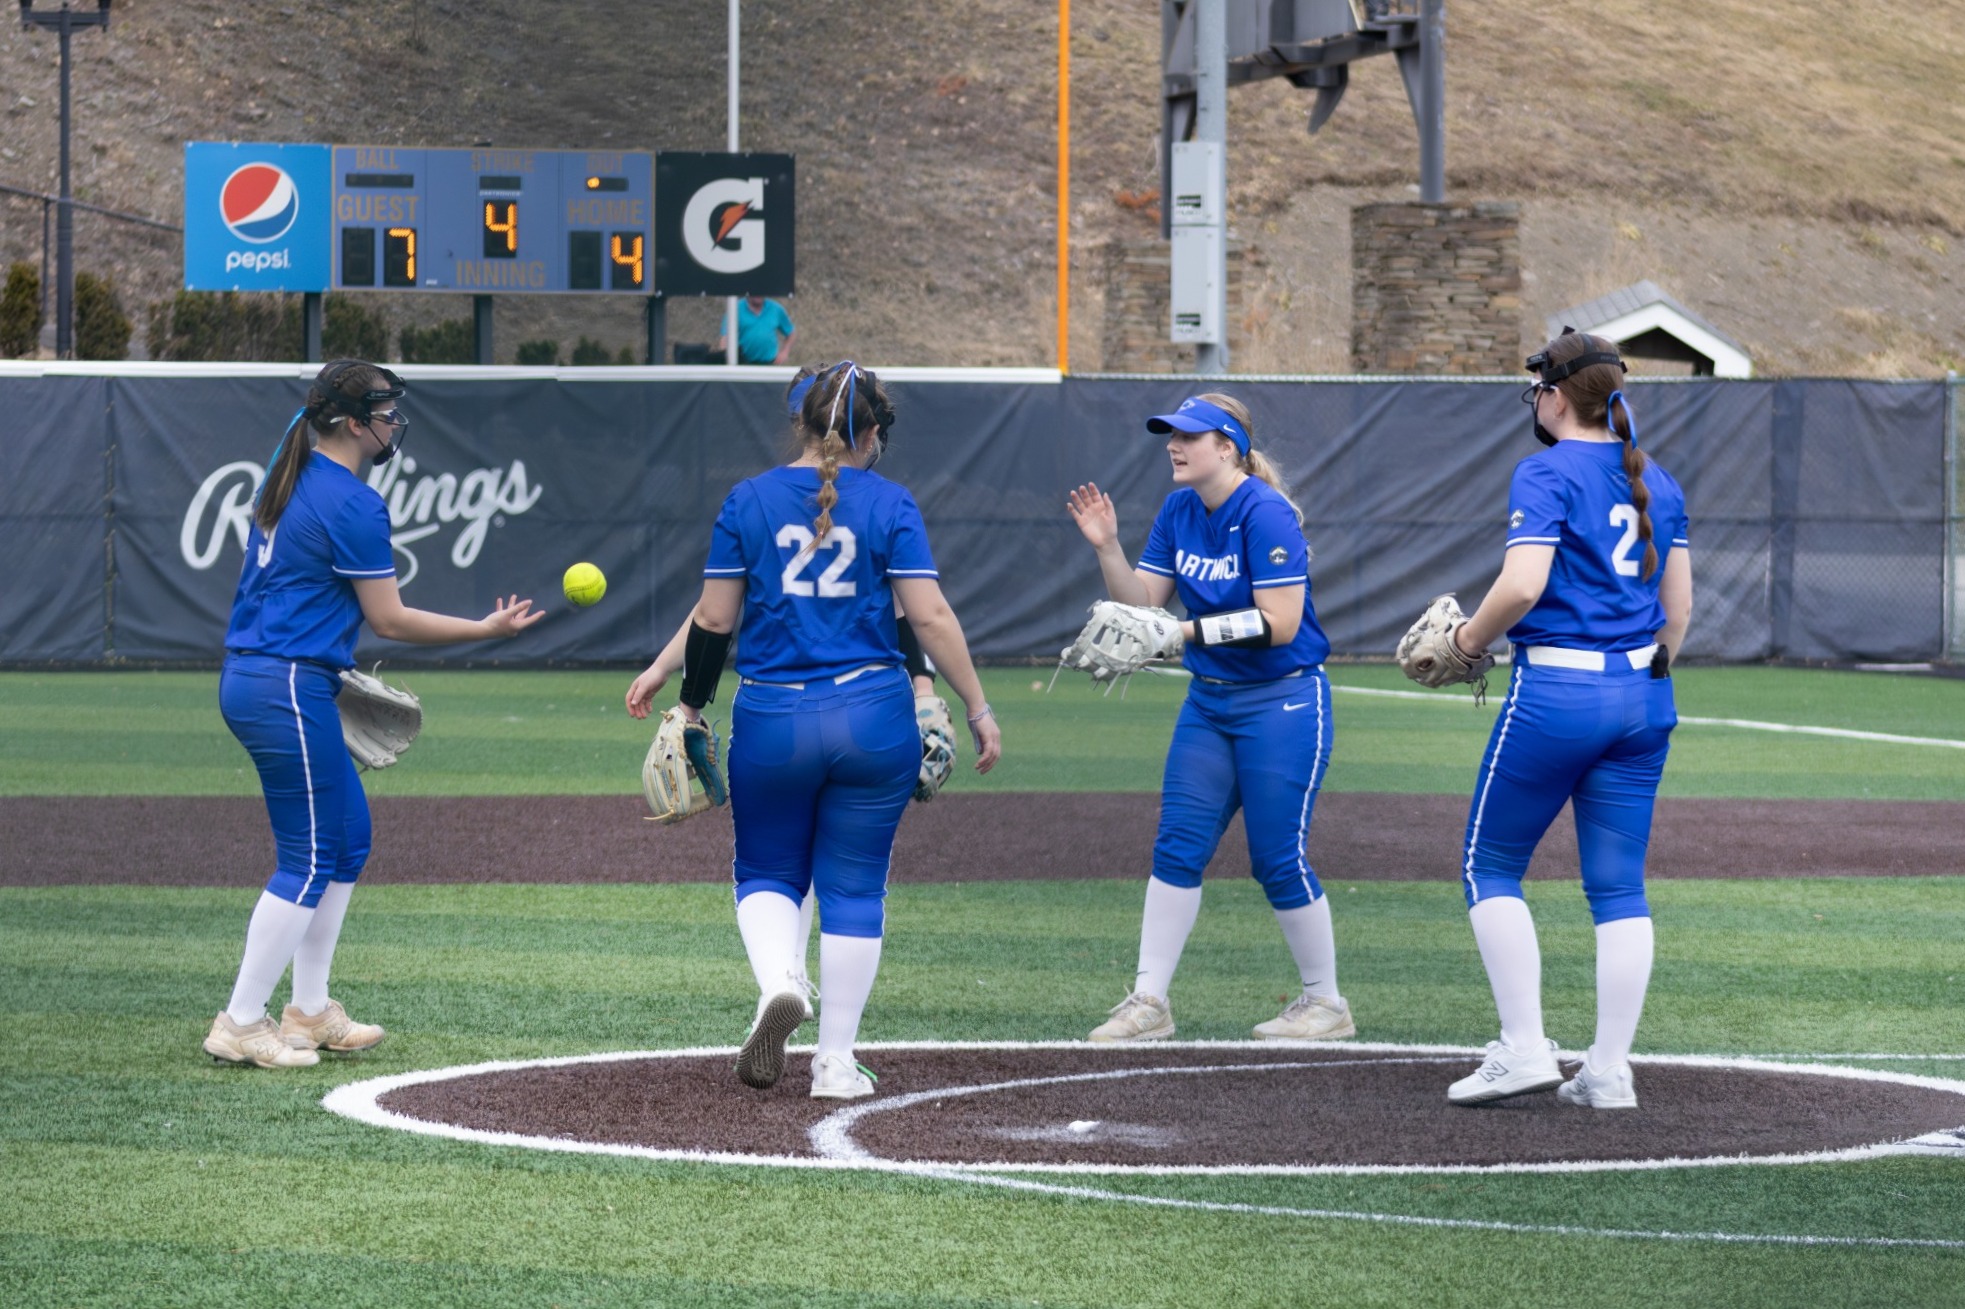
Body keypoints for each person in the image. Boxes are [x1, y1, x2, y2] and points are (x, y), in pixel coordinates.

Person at [626, 360, 1001, 1100]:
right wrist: (977, 706)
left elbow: (713, 618)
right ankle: (834, 1061)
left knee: (768, 869)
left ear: (799, 420)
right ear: (871, 432)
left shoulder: (749, 499)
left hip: (774, 715)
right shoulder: (892, 503)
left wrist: (692, 702)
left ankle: (780, 981)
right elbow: (926, 617)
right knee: (855, 887)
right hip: (871, 713)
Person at [205, 359, 543, 1070]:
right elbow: (387, 619)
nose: (395, 424)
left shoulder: (289, 459)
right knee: (307, 856)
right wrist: (485, 631)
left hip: (278, 677)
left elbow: (310, 413)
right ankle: (240, 1019)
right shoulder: (352, 501)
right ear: (352, 423)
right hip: (284, 684)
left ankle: (308, 1008)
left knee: (349, 837)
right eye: (385, 413)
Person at [1437, 329, 1692, 1110]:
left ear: (1553, 394)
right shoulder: (1658, 478)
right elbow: (1675, 615)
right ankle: (1608, 1071)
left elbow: (1520, 585)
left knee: (1490, 864)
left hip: (1559, 692)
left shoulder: (1543, 470)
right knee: (1617, 889)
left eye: (1537, 388)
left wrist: (1463, 641)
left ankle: (1521, 1047)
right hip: (1643, 696)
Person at [1066, 393, 1353, 1043]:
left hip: (1280, 700)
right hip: (1210, 701)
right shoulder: (1178, 509)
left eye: (1188, 435)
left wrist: (1183, 633)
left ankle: (1326, 1003)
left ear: (1227, 447)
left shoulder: (1265, 510)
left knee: (1277, 858)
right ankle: (1148, 1001)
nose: (1173, 443)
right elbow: (1143, 605)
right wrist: (1108, 547)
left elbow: (1278, 624)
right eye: (1169, 433)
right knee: (1176, 846)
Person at [717, 292, 798, 365]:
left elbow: (791, 333)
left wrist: (785, 352)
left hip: (769, 364)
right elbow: (725, 338)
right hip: (743, 364)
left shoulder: (776, 309)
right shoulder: (735, 309)